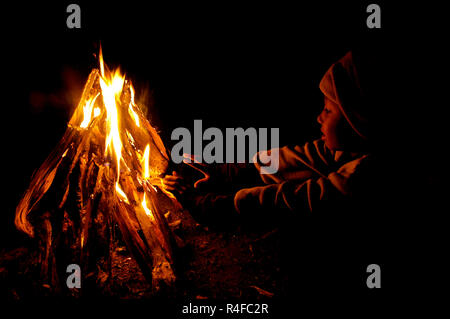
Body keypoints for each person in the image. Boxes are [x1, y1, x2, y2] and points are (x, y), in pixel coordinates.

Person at [163, 51, 375, 230]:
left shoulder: (363, 177)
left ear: (357, 119)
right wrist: (228, 173)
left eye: (328, 110)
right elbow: (299, 159)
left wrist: (209, 205)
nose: (319, 117)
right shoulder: (351, 146)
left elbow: (297, 201)